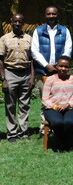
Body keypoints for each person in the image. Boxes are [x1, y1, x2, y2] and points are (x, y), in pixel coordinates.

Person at [31, 6, 72, 136]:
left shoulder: (65, 31)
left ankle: (59, 127)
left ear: (57, 15)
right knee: (46, 101)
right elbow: (34, 50)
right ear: (45, 15)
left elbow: (68, 49)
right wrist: (46, 65)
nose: (51, 16)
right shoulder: (38, 31)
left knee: (62, 99)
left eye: (53, 14)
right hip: (44, 72)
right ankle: (44, 129)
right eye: (49, 14)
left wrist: (59, 65)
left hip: (62, 72)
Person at [0, 13, 35, 142]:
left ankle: (24, 131)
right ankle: (12, 133)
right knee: (10, 105)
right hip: (10, 73)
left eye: (20, 22)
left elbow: (32, 60)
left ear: (23, 23)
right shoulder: (4, 39)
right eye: (15, 21)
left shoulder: (29, 39)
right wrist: (3, 79)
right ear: (11, 22)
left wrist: (32, 77)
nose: (18, 24)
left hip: (25, 73)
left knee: (24, 104)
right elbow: (0, 60)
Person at [42, 56, 73, 151]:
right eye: (60, 66)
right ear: (56, 66)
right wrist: (55, 106)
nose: (63, 69)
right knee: (58, 123)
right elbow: (45, 98)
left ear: (69, 68)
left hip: (71, 108)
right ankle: (61, 143)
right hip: (52, 108)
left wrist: (68, 105)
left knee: (69, 122)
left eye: (66, 67)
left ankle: (66, 144)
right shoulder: (50, 79)